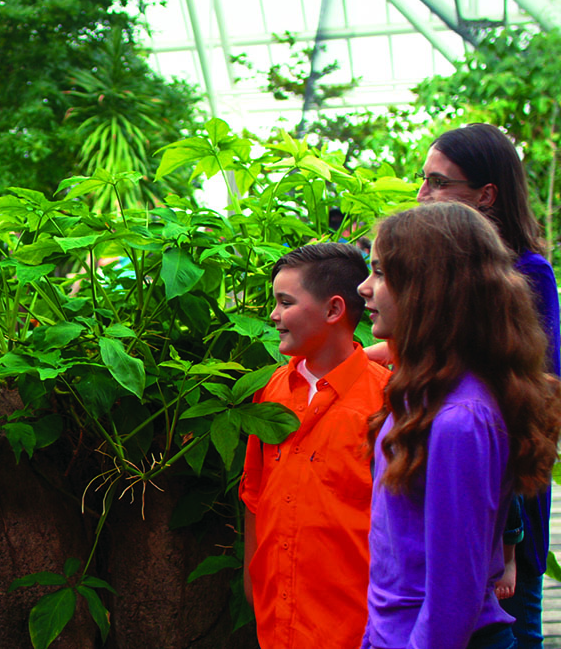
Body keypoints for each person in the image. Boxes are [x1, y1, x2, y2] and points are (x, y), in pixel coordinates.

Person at [368, 123, 560, 646]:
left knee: (511, 611)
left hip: (500, 502)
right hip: (405, 614)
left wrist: (512, 543)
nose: (422, 193)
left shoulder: (463, 416)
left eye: (437, 182)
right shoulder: (429, 394)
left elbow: (533, 390)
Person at [239, 242, 390, 649]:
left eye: (285, 302)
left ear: (333, 310)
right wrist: (255, 587)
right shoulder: (270, 391)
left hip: (356, 622)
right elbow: (255, 496)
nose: (273, 316)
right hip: (278, 619)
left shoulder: (386, 400)